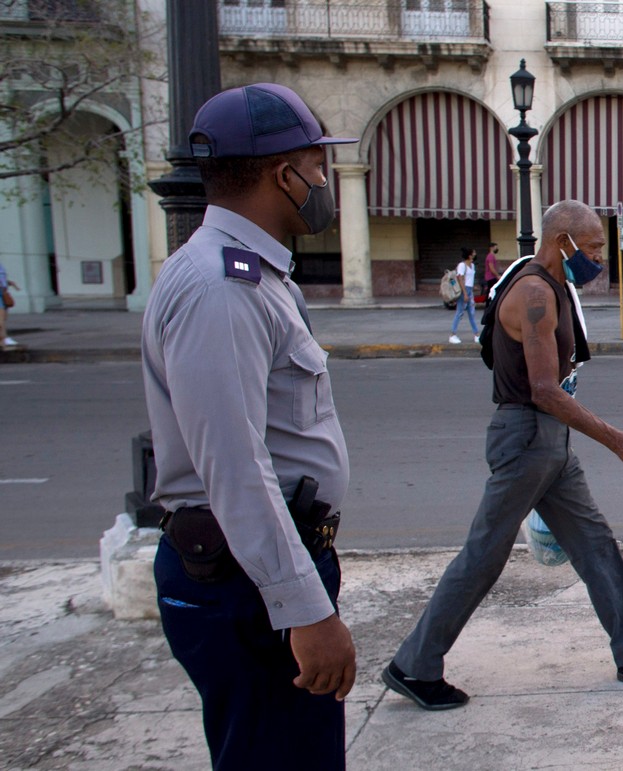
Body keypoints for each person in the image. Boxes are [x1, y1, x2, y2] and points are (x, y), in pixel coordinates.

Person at [381, 199, 623, 711]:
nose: (598, 257)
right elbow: (545, 390)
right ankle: (414, 666)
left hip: (546, 440)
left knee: (593, 542)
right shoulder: (533, 292)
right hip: (528, 436)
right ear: (562, 242)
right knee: (483, 555)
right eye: (592, 247)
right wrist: (622, 443)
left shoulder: (548, 284)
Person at [140, 83, 357, 770]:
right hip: (245, 583)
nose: (325, 181)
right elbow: (234, 466)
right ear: (280, 173)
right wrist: (304, 609)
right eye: (317, 165)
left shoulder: (258, 277)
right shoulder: (218, 288)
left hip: (260, 568)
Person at [450, 247, 480, 344]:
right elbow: (460, 279)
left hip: (469, 290)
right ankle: (452, 335)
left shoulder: (472, 265)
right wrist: (465, 293)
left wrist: (472, 288)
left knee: (471, 313)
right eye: (474, 252)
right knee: (459, 313)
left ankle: (476, 334)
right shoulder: (462, 265)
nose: (475, 254)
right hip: (464, 291)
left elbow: (469, 279)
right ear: (470, 255)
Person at [0, 261, 19, 347]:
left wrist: (8, 283)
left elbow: (2, 278)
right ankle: (3, 339)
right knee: (1, 319)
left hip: (3, 293)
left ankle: (4, 338)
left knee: (4, 318)